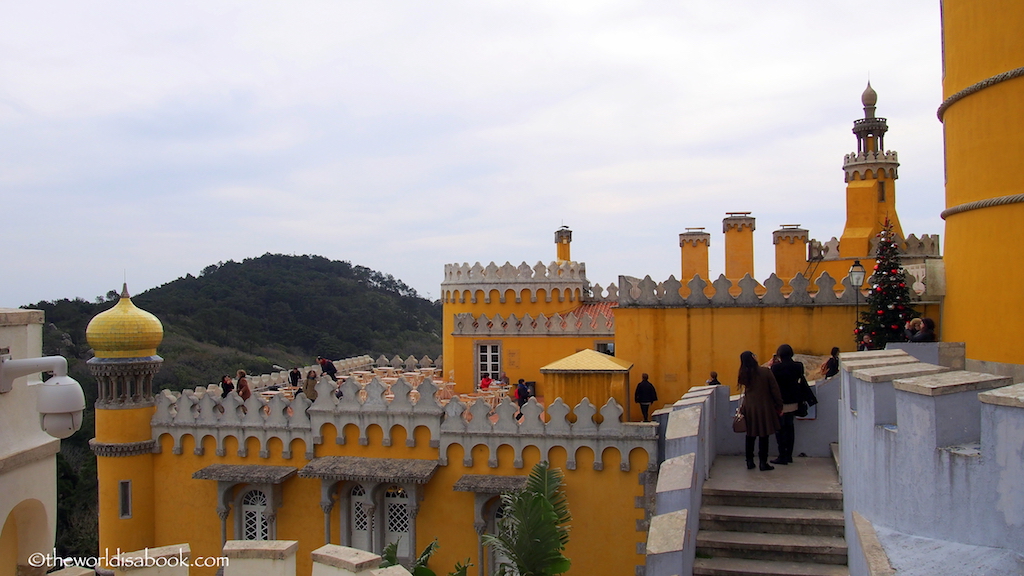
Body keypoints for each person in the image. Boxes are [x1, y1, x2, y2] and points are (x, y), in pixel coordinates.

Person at [738, 351, 783, 471]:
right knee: (764, 436)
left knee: (750, 435)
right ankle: (763, 463)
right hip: (765, 408)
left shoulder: (744, 374)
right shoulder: (765, 372)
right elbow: (775, 390)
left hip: (749, 408)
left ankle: (749, 461)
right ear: (753, 357)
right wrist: (779, 405)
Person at [770, 344, 805, 465]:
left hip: (781, 402)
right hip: (794, 401)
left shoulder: (776, 368)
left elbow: (773, 384)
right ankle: (789, 454)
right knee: (790, 428)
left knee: (780, 429)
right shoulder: (798, 366)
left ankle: (782, 455)